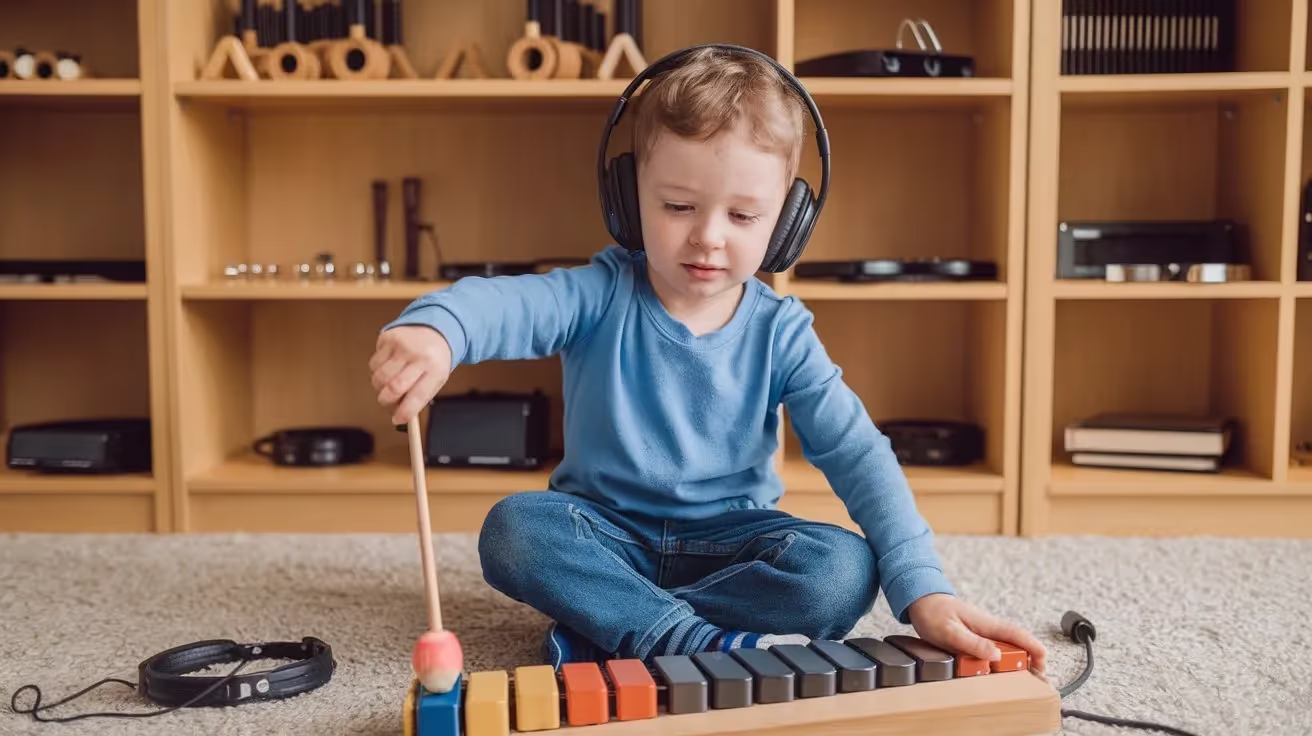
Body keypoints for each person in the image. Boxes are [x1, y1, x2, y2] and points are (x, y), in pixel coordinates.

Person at [369, 44, 1046, 673]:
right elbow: (502, 306)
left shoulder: (781, 330)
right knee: (516, 530)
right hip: (607, 532)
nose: (708, 237)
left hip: (734, 543)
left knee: (841, 569)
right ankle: (689, 641)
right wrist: (439, 331)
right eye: (678, 205)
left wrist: (922, 587)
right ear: (628, 199)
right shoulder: (599, 292)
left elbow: (857, 455)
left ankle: (619, 624)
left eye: (744, 217)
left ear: (787, 223)